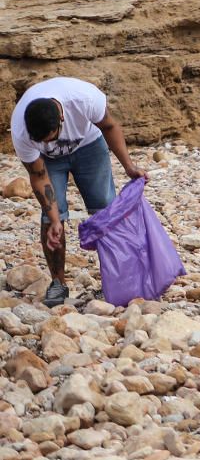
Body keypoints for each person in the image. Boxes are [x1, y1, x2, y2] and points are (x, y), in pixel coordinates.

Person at [10, 77, 147, 307]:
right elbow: (39, 176)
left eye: (50, 139)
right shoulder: (21, 131)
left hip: (89, 146)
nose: (47, 144)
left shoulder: (84, 99)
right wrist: (55, 220)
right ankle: (58, 283)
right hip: (49, 164)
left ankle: (120, 279)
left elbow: (109, 126)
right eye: (40, 141)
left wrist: (129, 166)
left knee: (106, 210)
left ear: (61, 118)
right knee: (51, 218)